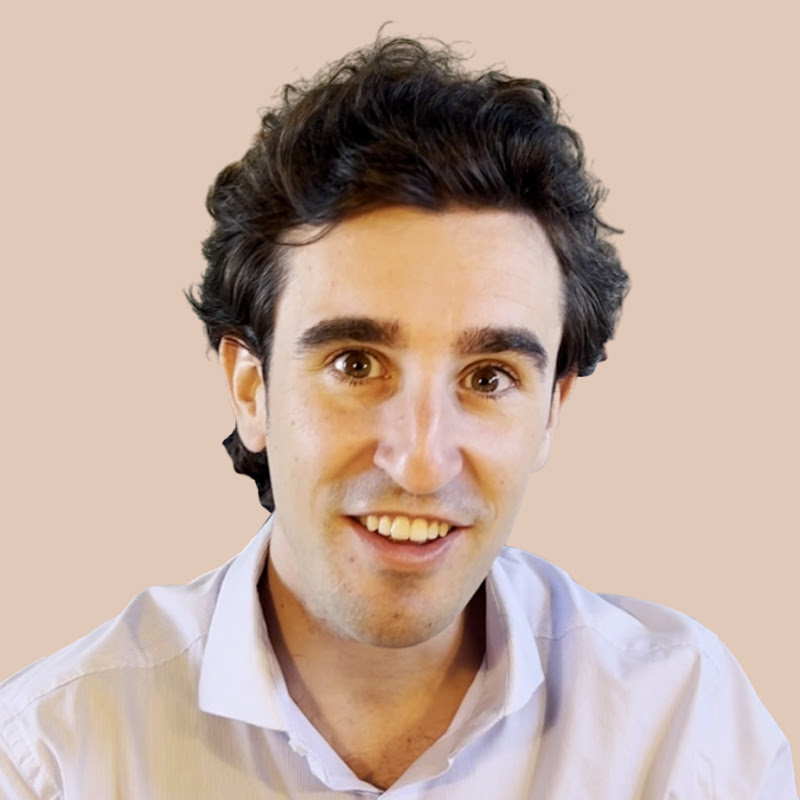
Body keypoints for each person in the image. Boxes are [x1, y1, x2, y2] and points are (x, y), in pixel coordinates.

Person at [0, 35, 795, 799]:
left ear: (552, 411)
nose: (421, 462)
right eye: (355, 365)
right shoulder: (49, 760)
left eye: (489, 377)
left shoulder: (687, 731)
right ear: (251, 389)